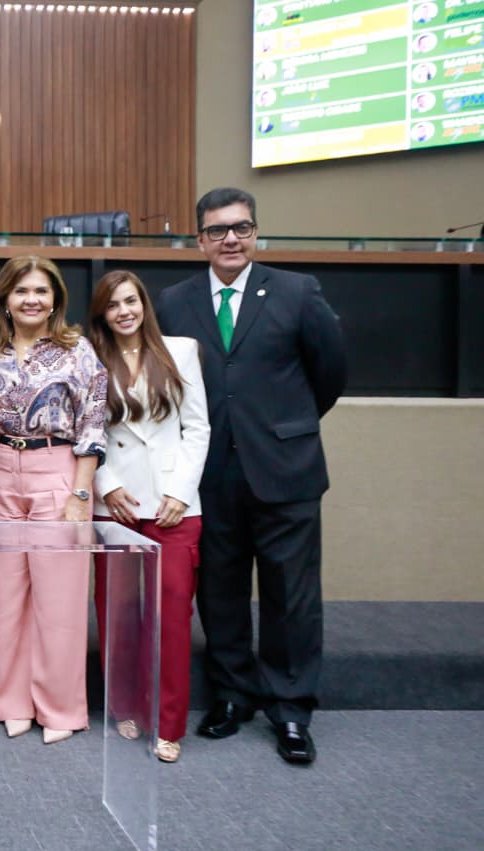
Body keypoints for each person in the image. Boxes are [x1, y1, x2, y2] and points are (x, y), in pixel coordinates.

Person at [155, 187, 347, 764]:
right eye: (217, 231)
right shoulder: (173, 302)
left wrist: (284, 426)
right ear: (200, 240)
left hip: (285, 469)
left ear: (256, 232)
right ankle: (233, 696)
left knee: (292, 594)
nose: (230, 239)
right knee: (221, 591)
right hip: (209, 474)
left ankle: (290, 710)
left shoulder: (297, 291)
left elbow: (330, 371)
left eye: (240, 228)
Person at [0, 256, 107, 745]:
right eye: (21, 291)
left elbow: (94, 423)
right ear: (5, 299)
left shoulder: (78, 351)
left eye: (41, 291)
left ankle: (61, 708)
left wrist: (80, 491)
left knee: (60, 600)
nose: (32, 299)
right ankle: (12, 701)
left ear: (56, 299)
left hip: (58, 471)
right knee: (7, 597)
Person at [87, 269, 209, 763]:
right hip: (116, 501)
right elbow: (83, 427)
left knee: (172, 614)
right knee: (117, 613)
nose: (124, 312)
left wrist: (181, 490)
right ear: (102, 313)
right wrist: (106, 483)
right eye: (113, 305)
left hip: (172, 505)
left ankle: (170, 722)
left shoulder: (180, 351)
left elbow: (197, 427)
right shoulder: (91, 356)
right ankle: (124, 706)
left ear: (144, 305)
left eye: (131, 301)